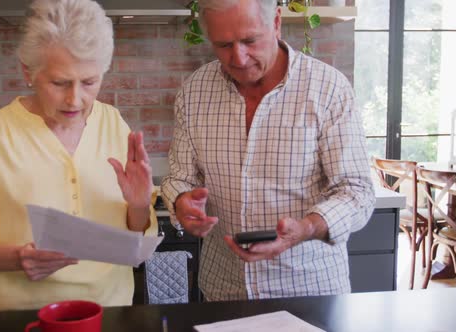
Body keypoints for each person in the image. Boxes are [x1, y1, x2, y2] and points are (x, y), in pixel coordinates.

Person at [0, 0, 156, 312]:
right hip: (17, 317)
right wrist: (17, 258)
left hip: (108, 314)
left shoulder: (113, 124)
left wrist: (139, 205)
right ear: (29, 71)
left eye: (89, 82)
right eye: (59, 82)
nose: (75, 99)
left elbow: (137, 240)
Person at [161, 0, 375, 301]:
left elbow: (357, 192)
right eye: (223, 45)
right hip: (224, 291)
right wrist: (183, 202)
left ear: (276, 22)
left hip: (310, 291)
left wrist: (306, 228)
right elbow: (179, 178)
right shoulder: (194, 91)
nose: (238, 57)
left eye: (250, 40)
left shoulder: (328, 89)